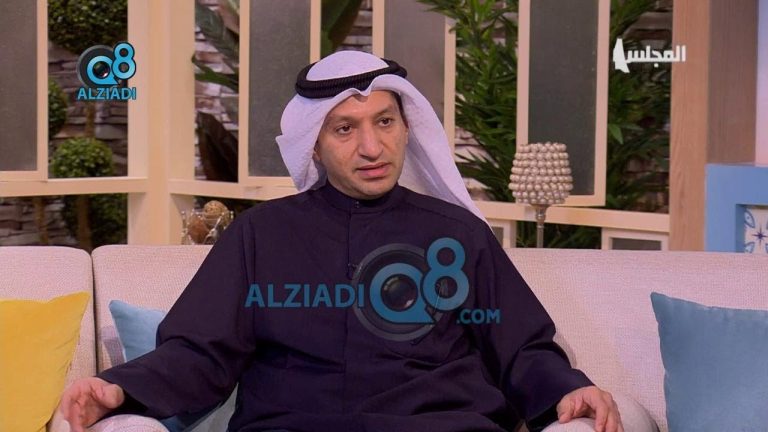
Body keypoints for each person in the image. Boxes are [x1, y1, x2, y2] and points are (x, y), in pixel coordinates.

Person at [58, 51, 623, 432]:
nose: (372, 148)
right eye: (345, 128)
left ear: (407, 128)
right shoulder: (260, 235)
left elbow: (522, 348)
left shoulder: (459, 234)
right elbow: (199, 353)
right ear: (314, 144)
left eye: (385, 122)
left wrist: (566, 390)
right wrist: (119, 389)